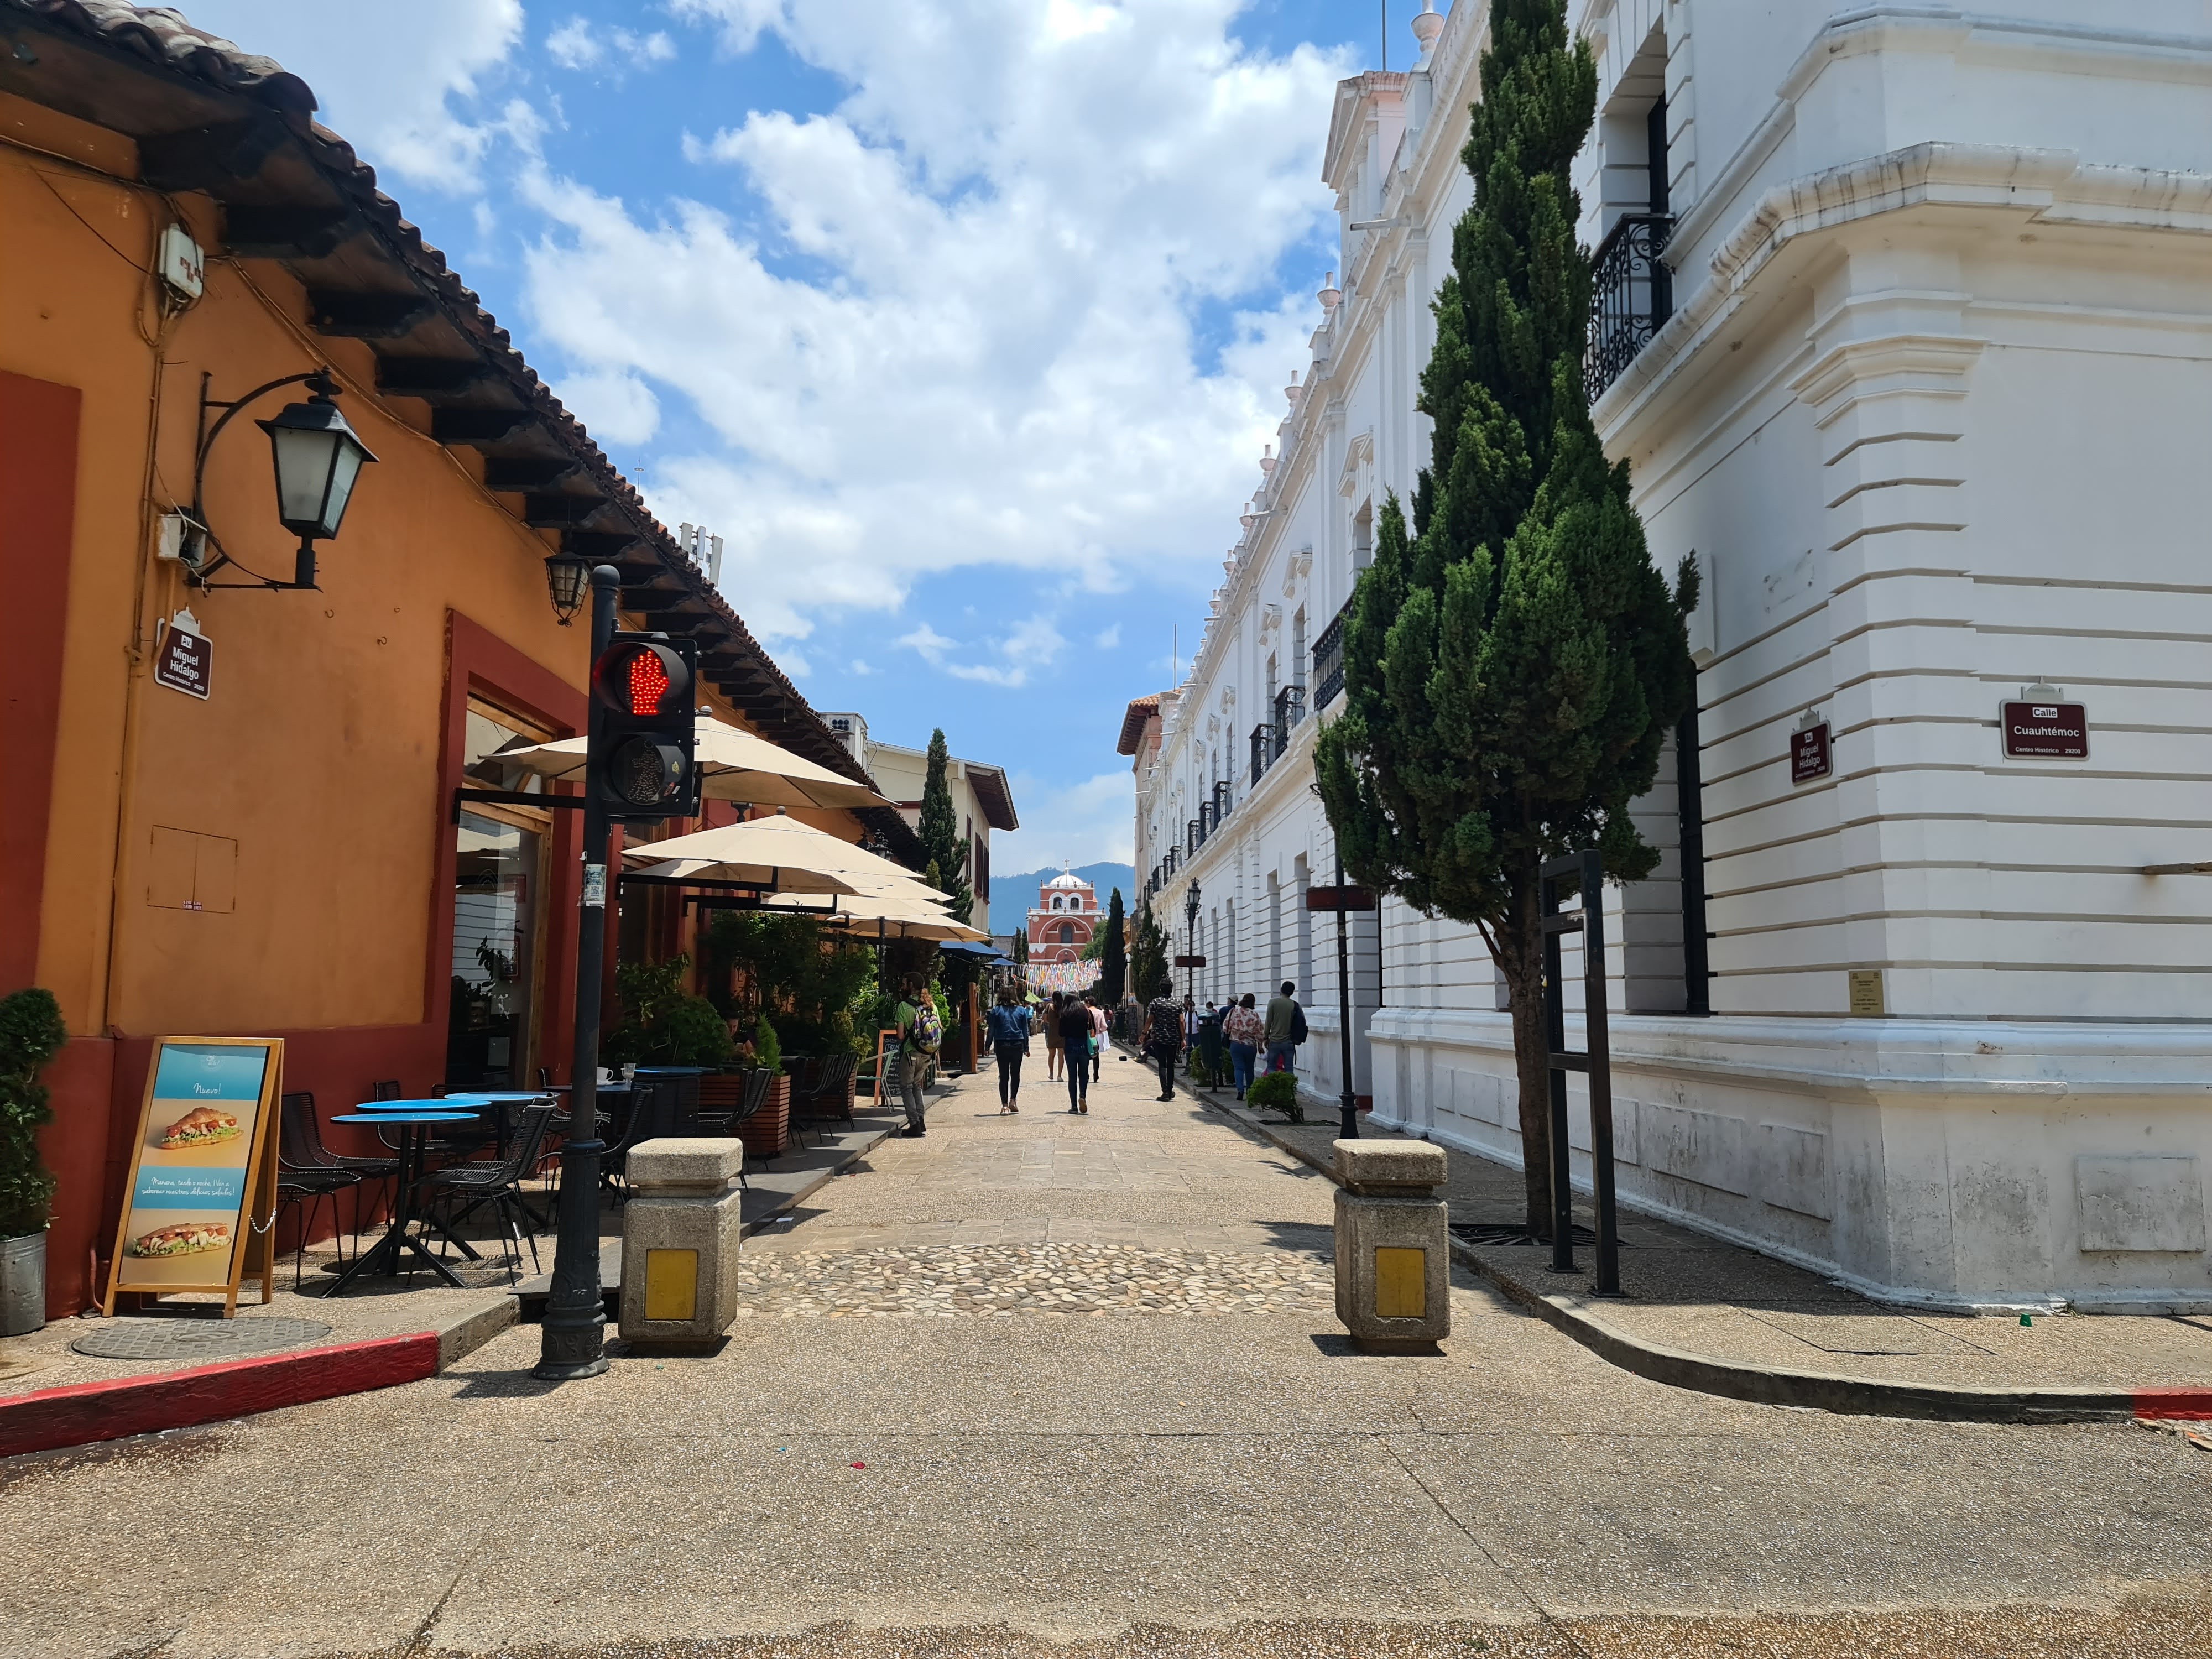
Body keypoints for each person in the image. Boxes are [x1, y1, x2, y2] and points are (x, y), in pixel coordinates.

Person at [894, 977, 940, 1136]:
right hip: (926, 1053)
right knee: (917, 1085)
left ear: (911, 986)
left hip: (910, 1053)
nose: (902, 986)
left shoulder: (903, 1006)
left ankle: (914, 1124)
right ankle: (921, 1120)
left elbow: (900, 1035)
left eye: (905, 983)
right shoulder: (931, 1006)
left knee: (906, 1087)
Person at [985, 984, 1032, 1114]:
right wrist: (1026, 1047)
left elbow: (992, 1030)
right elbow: (1025, 1031)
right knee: (1015, 1073)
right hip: (1017, 1044)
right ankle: (1013, 1100)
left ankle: (1004, 1105)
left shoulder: (996, 1010)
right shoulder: (1021, 1010)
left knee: (1004, 1075)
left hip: (1001, 1044)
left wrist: (987, 1046)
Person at [1144, 986, 1185, 1100]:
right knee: (1171, 1065)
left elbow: (1150, 1019)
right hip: (1174, 1038)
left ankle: (1165, 1092)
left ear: (1161, 989)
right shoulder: (1178, 1003)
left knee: (1162, 1065)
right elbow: (1181, 1021)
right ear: (1171, 989)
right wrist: (1183, 1038)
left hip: (1159, 1039)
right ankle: (1170, 1090)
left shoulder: (1155, 1002)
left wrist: (1144, 1033)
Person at [1058, 993, 1095, 1113]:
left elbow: (1061, 1033)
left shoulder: (1065, 1013)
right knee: (1084, 1074)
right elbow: (1093, 1029)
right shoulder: (1087, 1012)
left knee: (1072, 1076)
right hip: (1084, 1046)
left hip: (1070, 1047)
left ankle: (1074, 1106)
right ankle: (1082, 1096)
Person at [1224, 992, 1263, 1100]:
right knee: (1249, 1069)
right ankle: (1249, 1090)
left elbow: (1226, 1026)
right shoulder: (1254, 1015)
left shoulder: (1234, 1011)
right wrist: (1260, 1046)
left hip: (1236, 1044)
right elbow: (1259, 1032)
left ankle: (1240, 1090)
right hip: (1250, 1046)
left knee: (1238, 1068)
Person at [1264, 979, 1305, 1076]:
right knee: (1289, 1069)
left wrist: (1266, 1037)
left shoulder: (1273, 1002)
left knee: (1271, 1067)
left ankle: (1273, 1088)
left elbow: (1268, 1021)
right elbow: (1302, 1022)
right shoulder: (1295, 1005)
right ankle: (1288, 1088)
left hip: (1274, 1040)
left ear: (1281, 990)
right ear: (1292, 992)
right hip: (1289, 1042)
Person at [1044, 990, 1066, 1081]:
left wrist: (1051, 1023)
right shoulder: (1064, 1008)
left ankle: (1051, 1073)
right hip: (1062, 1033)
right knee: (1061, 1055)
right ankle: (1060, 1075)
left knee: (1051, 1055)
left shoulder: (1049, 1006)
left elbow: (1044, 1018)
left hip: (1052, 1032)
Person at [1088, 998, 1108, 1083]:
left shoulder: (1086, 1011)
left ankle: (1086, 1074)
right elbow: (1105, 1026)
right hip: (1097, 1036)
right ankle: (1095, 1073)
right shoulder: (1100, 1012)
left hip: (1088, 1036)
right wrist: (1099, 1030)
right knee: (1096, 1057)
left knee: (1086, 1056)